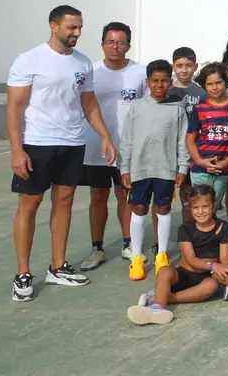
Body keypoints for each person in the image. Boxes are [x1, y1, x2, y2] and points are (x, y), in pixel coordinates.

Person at [8, 5, 116, 301]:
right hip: (36, 143)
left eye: (80, 27)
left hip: (72, 142)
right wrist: (17, 150)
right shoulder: (29, 60)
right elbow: (15, 107)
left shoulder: (82, 63)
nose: (77, 33)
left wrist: (105, 136)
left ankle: (57, 267)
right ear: (53, 26)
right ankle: (22, 274)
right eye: (71, 27)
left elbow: (89, 103)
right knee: (29, 205)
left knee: (65, 201)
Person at [77, 21, 144, 272]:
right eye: (110, 42)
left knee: (125, 194)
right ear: (102, 44)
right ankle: (97, 248)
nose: (115, 47)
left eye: (121, 42)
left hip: (129, 148)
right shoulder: (90, 72)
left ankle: (129, 244)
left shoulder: (141, 72)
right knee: (98, 196)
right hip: (96, 148)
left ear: (128, 45)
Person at [120, 60, 191, 281]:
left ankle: (161, 254)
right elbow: (127, 139)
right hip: (139, 168)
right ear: (147, 82)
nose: (159, 85)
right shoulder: (137, 107)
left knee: (163, 207)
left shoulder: (178, 108)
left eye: (164, 80)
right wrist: (124, 168)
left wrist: (182, 168)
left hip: (166, 168)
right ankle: (136, 258)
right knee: (139, 207)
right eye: (155, 80)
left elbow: (182, 141)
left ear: (171, 82)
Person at [126, 185, 228, 325]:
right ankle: (158, 309)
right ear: (190, 208)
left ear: (213, 205)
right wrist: (213, 266)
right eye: (196, 207)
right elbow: (191, 260)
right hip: (185, 274)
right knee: (164, 270)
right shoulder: (185, 229)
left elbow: (225, 257)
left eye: (205, 206)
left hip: (206, 277)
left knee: (212, 285)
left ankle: (159, 299)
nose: (201, 211)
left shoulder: (223, 226)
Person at [186, 63, 228, 225]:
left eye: (218, 82)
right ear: (204, 85)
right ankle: (196, 237)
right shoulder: (199, 108)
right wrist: (200, 161)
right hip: (200, 169)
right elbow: (189, 140)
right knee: (200, 207)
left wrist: (227, 162)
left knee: (213, 207)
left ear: (226, 82)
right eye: (210, 84)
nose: (215, 87)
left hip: (223, 169)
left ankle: (211, 237)